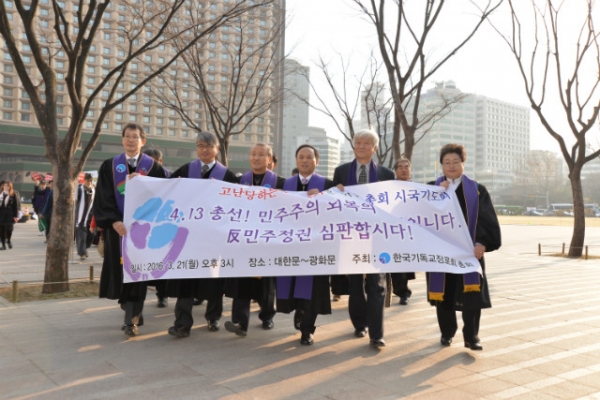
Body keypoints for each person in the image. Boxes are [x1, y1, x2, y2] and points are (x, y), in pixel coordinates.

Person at [92, 123, 167, 337]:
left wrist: (146, 182)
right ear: (122, 140)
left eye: (135, 137)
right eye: (127, 136)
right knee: (120, 273)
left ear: (143, 141)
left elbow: (163, 195)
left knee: (138, 274)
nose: (131, 140)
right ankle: (129, 308)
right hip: (118, 231)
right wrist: (113, 221)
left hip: (142, 232)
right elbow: (103, 197)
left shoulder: (154, 168)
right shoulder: (109, 166)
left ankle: (131, 319)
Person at [428, 143, 501, 351]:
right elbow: (418, 216)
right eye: (446, 162)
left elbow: (487, 220)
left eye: (455, 162)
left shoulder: (477, 190)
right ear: (441, 165)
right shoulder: (431, 187)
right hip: (441, 253)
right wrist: (432, 195)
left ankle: (471, 336)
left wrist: (482, 242)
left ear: (463, 163)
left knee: (472, 295)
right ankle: (446, 333)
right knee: (444, 294)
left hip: (469, 252)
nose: (451, 166)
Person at [166, 131, 238, 338]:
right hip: (187, 238)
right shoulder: (186, 170)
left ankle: (213, 316)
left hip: (213, 239)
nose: (204, 150)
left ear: (217, 149)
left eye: (208, 146)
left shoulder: (228, 176)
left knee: (214, 277)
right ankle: (182, 323)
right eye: (200, 146)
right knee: (185, 279)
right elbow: (165, 187)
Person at [331, 128, 395, 348]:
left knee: (377, 286)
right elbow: (333, 204)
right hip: (351, 236)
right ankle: (359, 324)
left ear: (374, 148)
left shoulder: (387, 175)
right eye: (357, 142)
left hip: (378, 238)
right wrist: (335, 191)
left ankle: (377, 334)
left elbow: (393, 206)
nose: (360, 146)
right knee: (356, 284)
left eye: (366, 143)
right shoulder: (340, 171)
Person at [276, 144, 335, 345]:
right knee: (293, 286)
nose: (304, 160)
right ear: (296, 160)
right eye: (300, 157)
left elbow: (337, 211)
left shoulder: (327, 185)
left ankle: (307, 329)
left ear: (316, 161)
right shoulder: (285, 185)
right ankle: (299, 312)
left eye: (309, 157)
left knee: (313, 289)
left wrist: (325, 198)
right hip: (291, 246)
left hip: (315, 248)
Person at [223, 143, 283, 338]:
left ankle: (267, 315)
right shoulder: (240, 181)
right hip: (244, 240)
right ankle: (240, 322)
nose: (256, 158)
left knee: (266, 283)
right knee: (242, 281)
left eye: (261, 155)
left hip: (268, 241)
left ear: (269, 160)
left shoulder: (280, 182)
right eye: (253, 154)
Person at [142, 147, 169, 308]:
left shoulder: (169, 177)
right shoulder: (137, 177)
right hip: (142, 227)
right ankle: (136, 299)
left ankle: (163, 295)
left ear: (160, 162)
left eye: (153, 161)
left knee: (161, 263)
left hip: (162, 227)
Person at [391, 158, 416, 305]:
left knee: (404, 262)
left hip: (410, 232)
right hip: (391, 230)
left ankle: (403, 291)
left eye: (406, 166)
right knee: (394, 262)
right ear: (395, 170)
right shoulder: (388, 188)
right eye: (400, 167)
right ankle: (398, 291)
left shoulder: (417, 189)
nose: (403, 169)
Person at [75, 173, 95, 262]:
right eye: (88, 180)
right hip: (80, 217)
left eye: (91, 180)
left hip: (90, 217)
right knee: (82, 236)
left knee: (92, 234)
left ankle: (84, 248)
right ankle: (82, 253)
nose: (89, 182)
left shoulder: (94, 189)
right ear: (84, 180)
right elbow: (74, 200)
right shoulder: (79, 189)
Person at [0, 180, 21, 250]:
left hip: (10, 215)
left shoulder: (13, 194)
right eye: (5, 185)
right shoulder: (0, 194)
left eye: (7, 186)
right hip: (1, 214)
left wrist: (15, 216)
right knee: (1, 230)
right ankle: (3, 245)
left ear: (10, 187)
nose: (6, 187)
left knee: (9, 229)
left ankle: (8, 241)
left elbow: (16, 206)